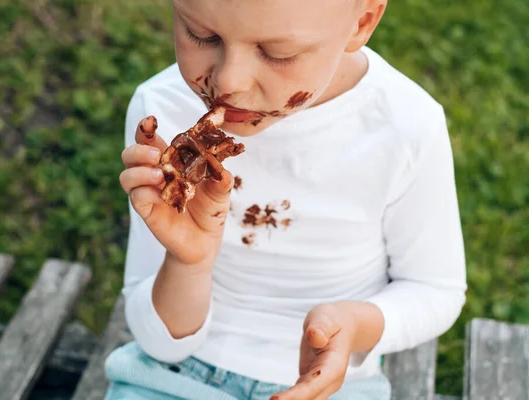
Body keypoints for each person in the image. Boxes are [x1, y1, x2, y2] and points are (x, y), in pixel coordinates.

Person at [105, 0, 467, 398]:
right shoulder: (161, 113)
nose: (229, 82)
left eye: (279, 53)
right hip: (172, 374)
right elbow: (156, 339)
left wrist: (355, 323)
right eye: (201, 35)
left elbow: (435, 289)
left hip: (330, 385)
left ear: (362, 22)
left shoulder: (406, 127)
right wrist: (188, 262)